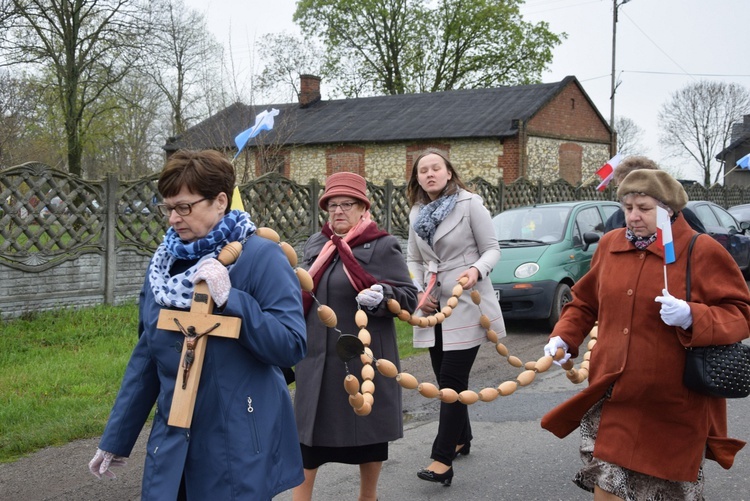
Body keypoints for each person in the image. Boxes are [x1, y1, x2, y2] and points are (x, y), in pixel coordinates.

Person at [87, 150, 307, 500]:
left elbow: (290, 344)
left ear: (220, 201)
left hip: (237, 439)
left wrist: (232, 300)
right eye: (168, 207)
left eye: (185, 207)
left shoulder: (261, 257)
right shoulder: (164, 267)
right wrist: (117, 438)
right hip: (172, 439)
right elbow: (147, 355)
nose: (174, 218)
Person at [541, 167, 750, 500]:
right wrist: (564, 337)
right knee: (606, 485)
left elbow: (739, 314)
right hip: (616, 396)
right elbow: (583, 303)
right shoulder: (610, 245)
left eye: (644, 209)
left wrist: (691, 316)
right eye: (627, 208)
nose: (633, 217)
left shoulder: (701, 249)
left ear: (669, 211)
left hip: (674, 404)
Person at [292, 172, 418, 501]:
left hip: (363, 356)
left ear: (364, 207)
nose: (337, 211)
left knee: (368, 435)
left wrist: (383, 294)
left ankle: (368, 496)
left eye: (346, 204)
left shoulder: (382, 245)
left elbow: (408, 298)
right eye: (331, 205)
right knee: (307, 440)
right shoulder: (315, 244)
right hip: (317, 359)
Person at [406, 150, 506, 486]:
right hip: (432, 305)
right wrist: (419, 291)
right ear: (417, 178)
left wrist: (475, 271)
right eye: (423, 170)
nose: (430, 174)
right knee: (446, 381)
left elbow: (492, 248)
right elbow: (413, 258)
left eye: (436, 168)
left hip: (467, 303)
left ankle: (442, 459)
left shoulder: (470, 204)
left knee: (450, 382)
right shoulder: (417, 212)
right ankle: (462, 436)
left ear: (449, 172)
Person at [603, 155, 705, 233]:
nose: (633, 217)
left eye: (644, 208)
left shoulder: (683, 216)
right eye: (621, 188)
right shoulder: (614, 222)